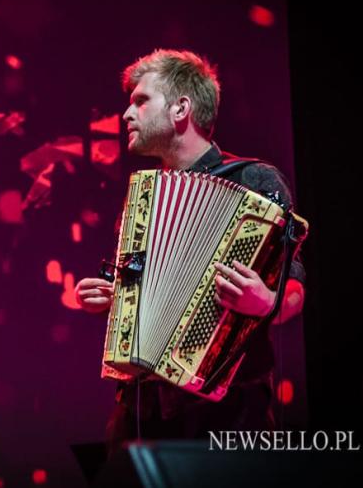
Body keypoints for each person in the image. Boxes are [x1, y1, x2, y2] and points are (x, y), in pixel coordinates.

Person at [74, 50, 306, 454]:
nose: (127, 115)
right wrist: (112, 297)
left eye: (141, 102)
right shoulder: (144, 198)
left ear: (181, 108)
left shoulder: (254, 179)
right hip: (141, 406)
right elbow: (142, 286)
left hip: (229, 409)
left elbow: (294, 285)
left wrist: (267, 302)